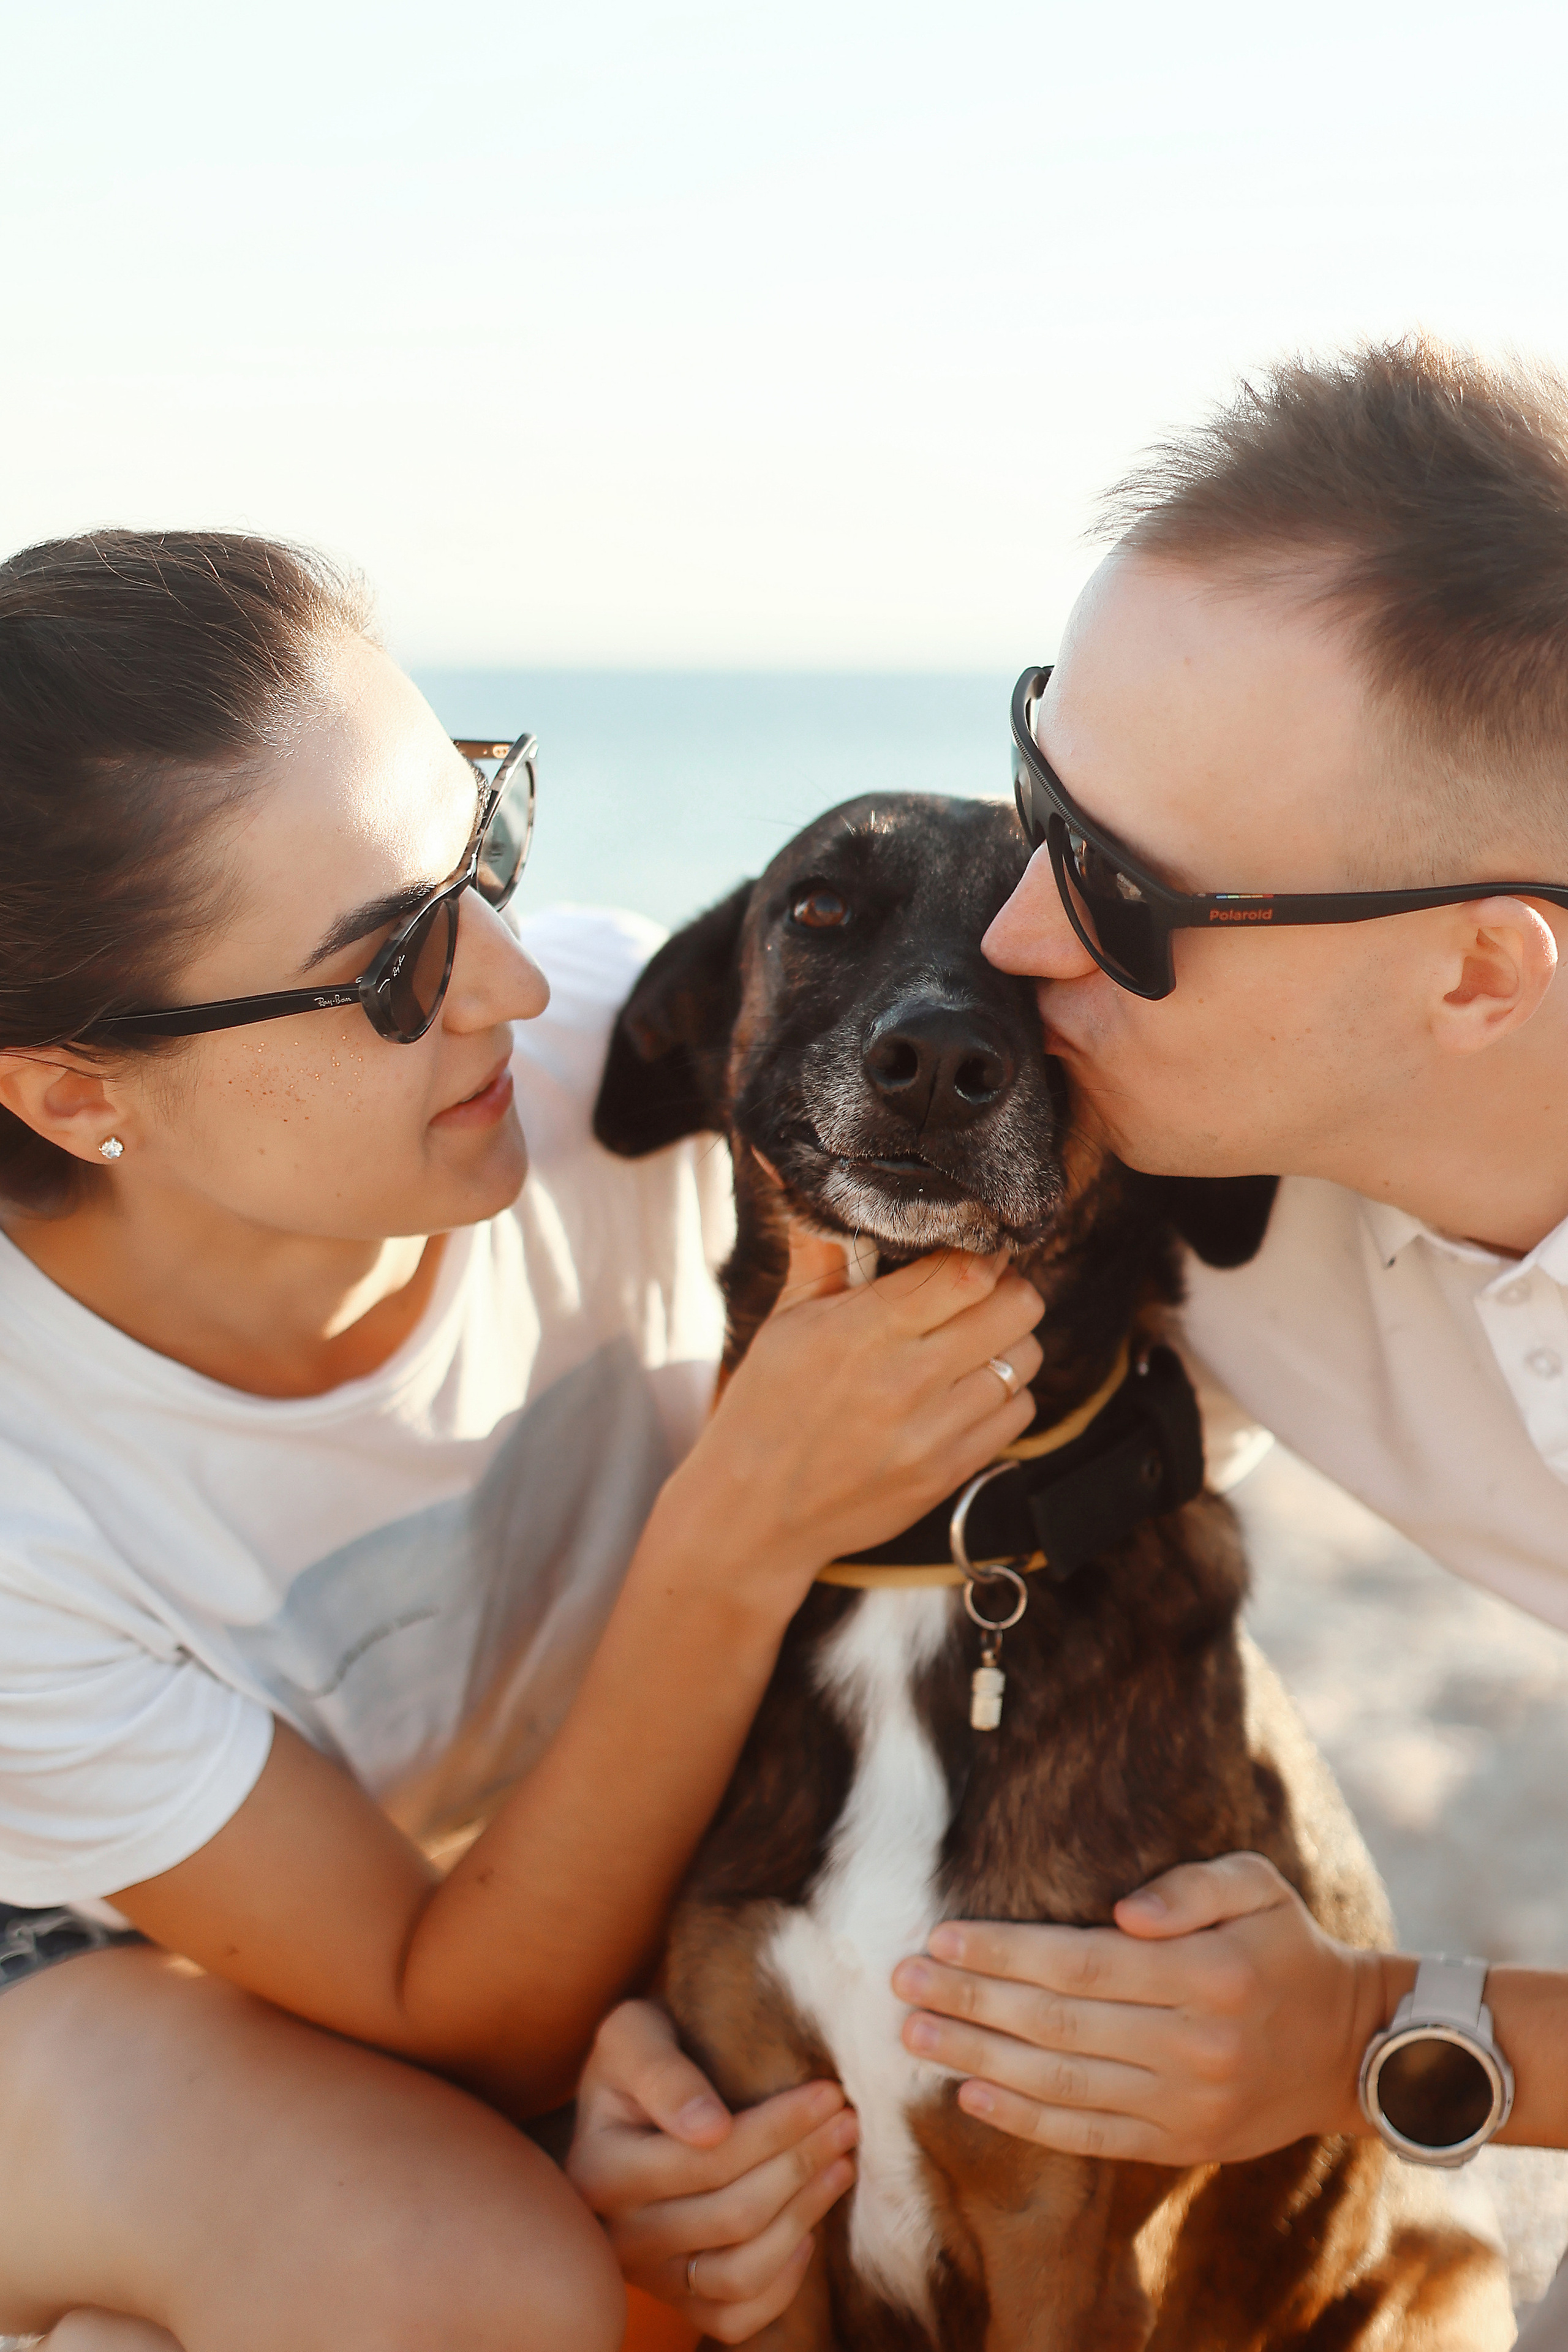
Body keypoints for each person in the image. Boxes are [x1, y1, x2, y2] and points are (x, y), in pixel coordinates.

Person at [575, 341, 1568, 2341]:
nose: (1017, 946)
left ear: (1473, 972)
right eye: (1046, 799)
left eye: (1119, 888)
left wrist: (1381, 2033)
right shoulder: (1190, 1154)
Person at [0, 529, 1049, 2352]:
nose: (508, 980)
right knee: (469, 2288)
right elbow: (439, 1995)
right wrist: (736, 1532)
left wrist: (613, 2073)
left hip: (498, 1901)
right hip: (81, 1944)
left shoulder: (612, 1078)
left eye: (477, 845)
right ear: (80, 1094)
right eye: (393, 964)